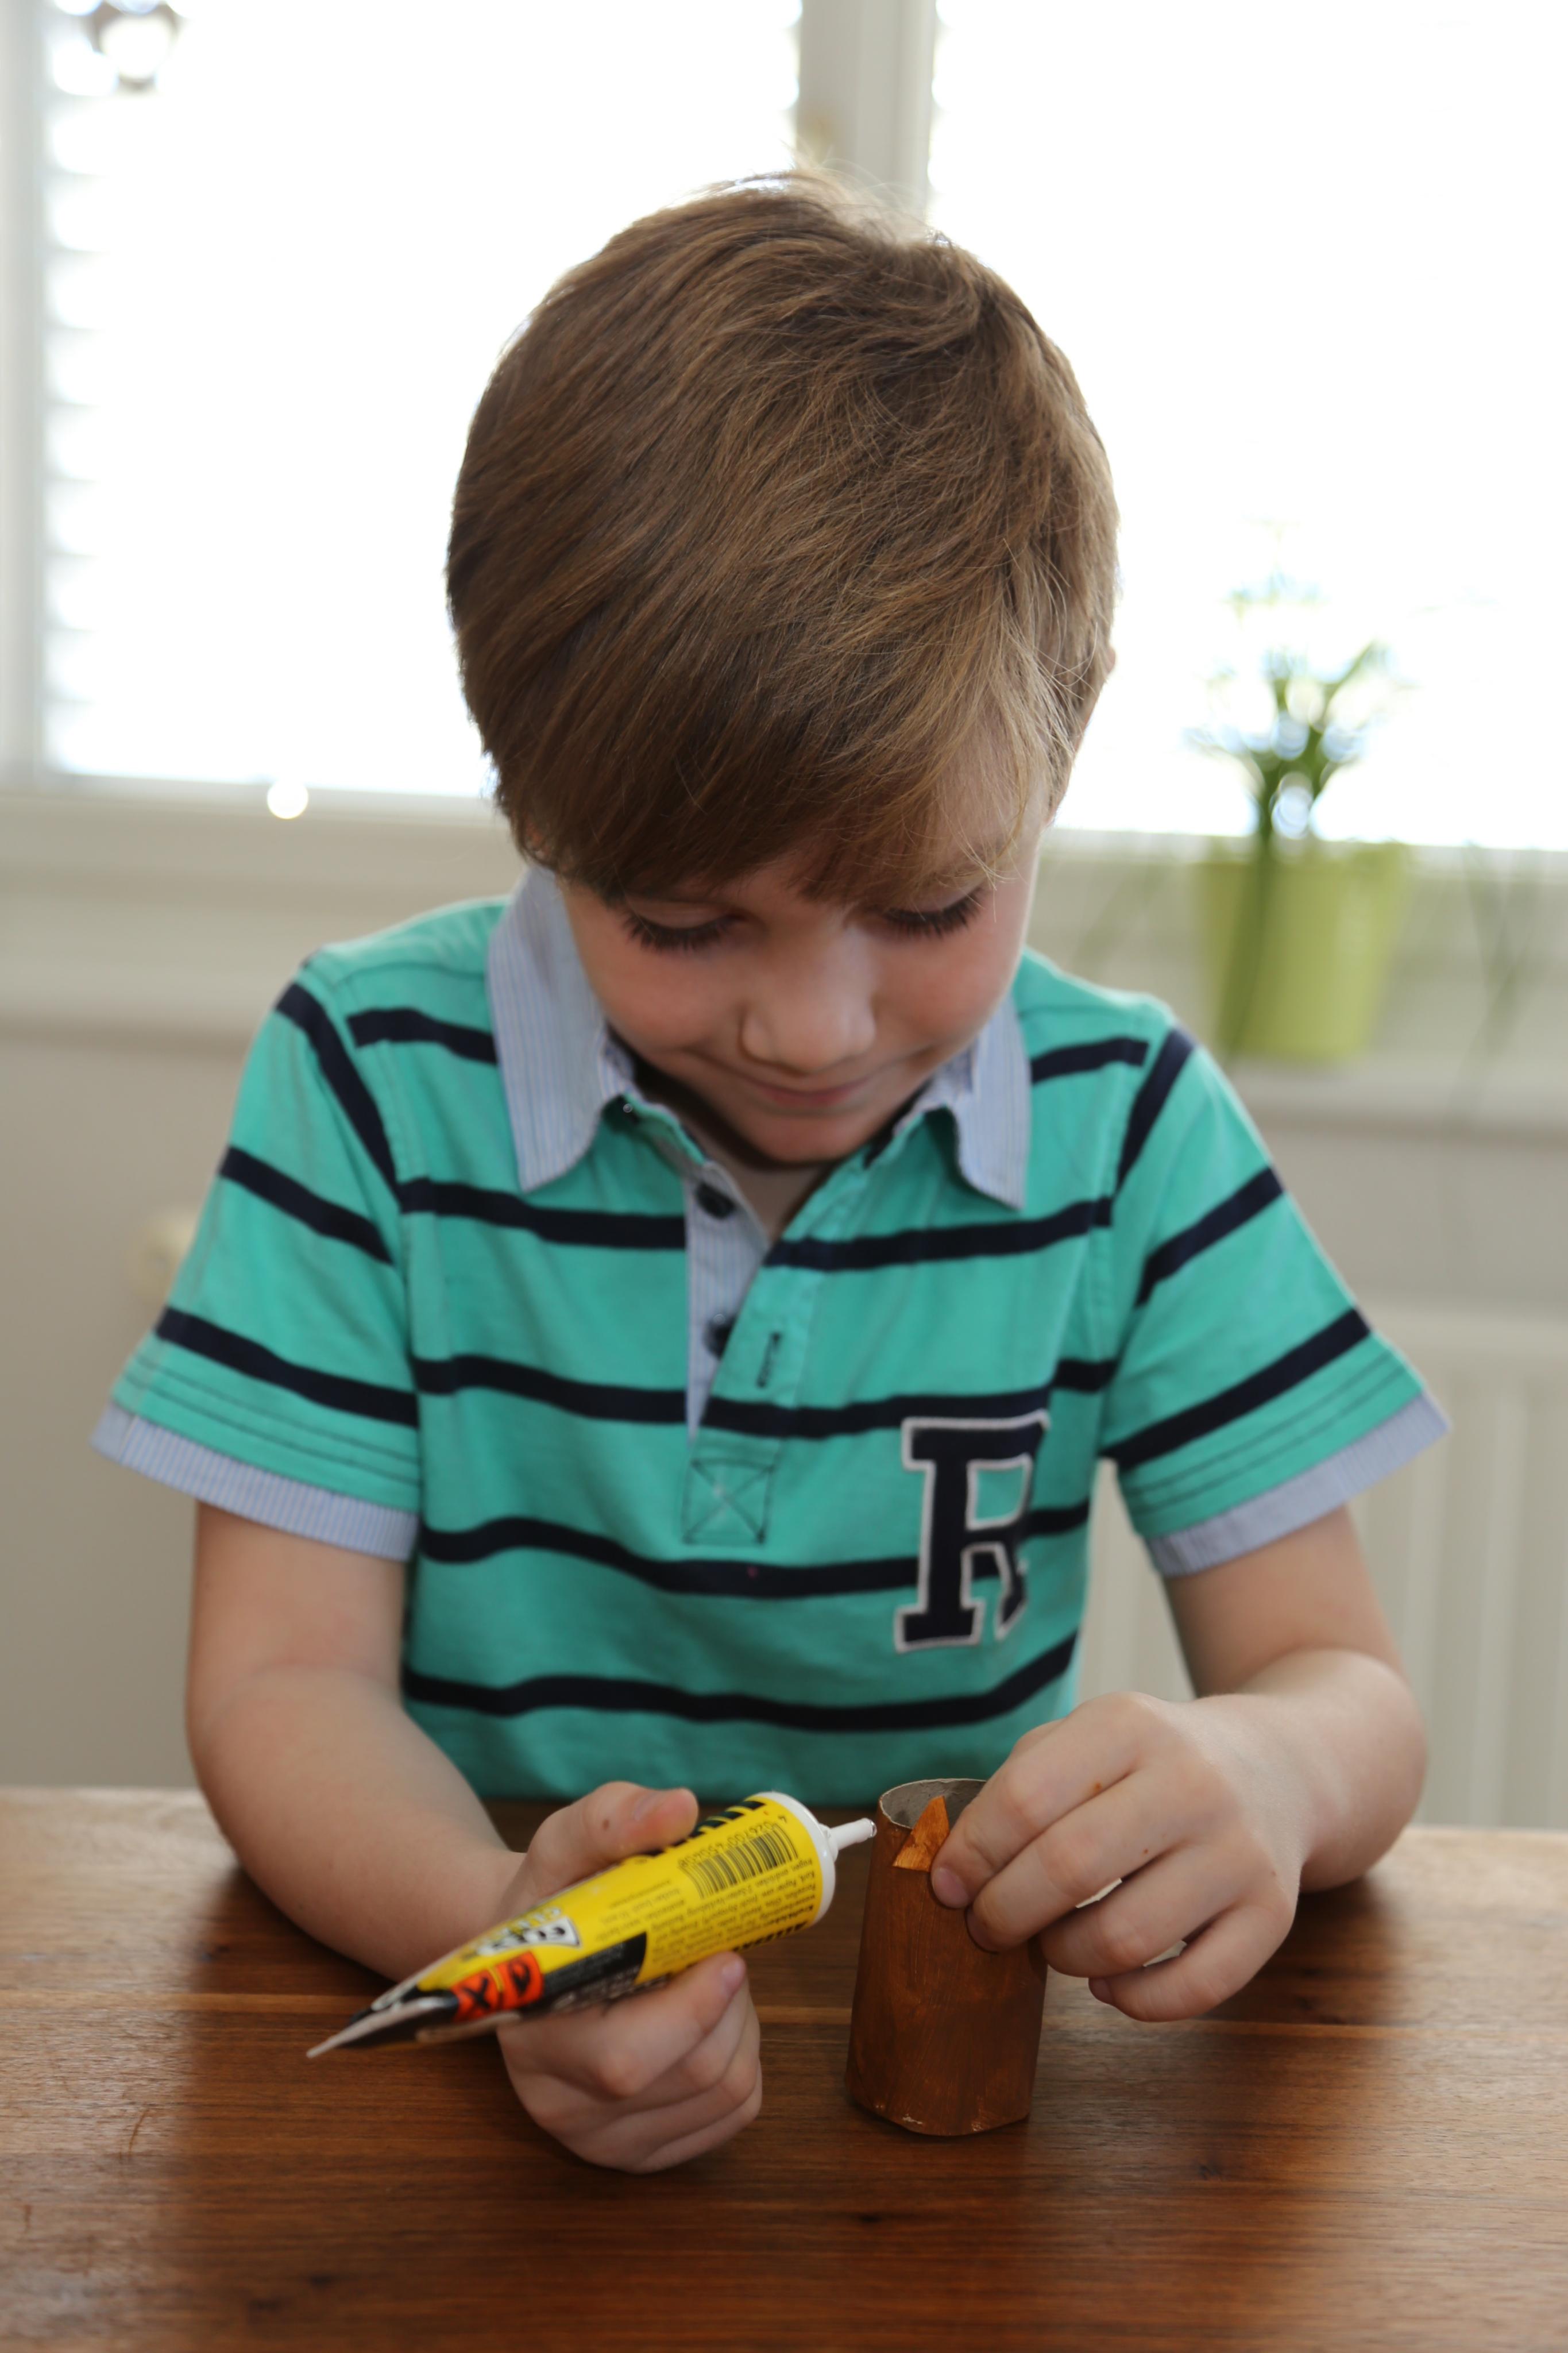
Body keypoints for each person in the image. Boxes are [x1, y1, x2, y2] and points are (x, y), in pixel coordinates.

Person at [93, 173, 1440, 2173]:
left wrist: (1262, 1771)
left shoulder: (1130, 1128)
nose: (811, 1030)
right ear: (531, 807)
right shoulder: (371, 1079)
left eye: (927, 905)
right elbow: (284, 1688)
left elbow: (1347, 1694)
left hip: (948, 2098)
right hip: (481, 2071)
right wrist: (504, 1931)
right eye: (682, 922)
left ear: (1054, 770)